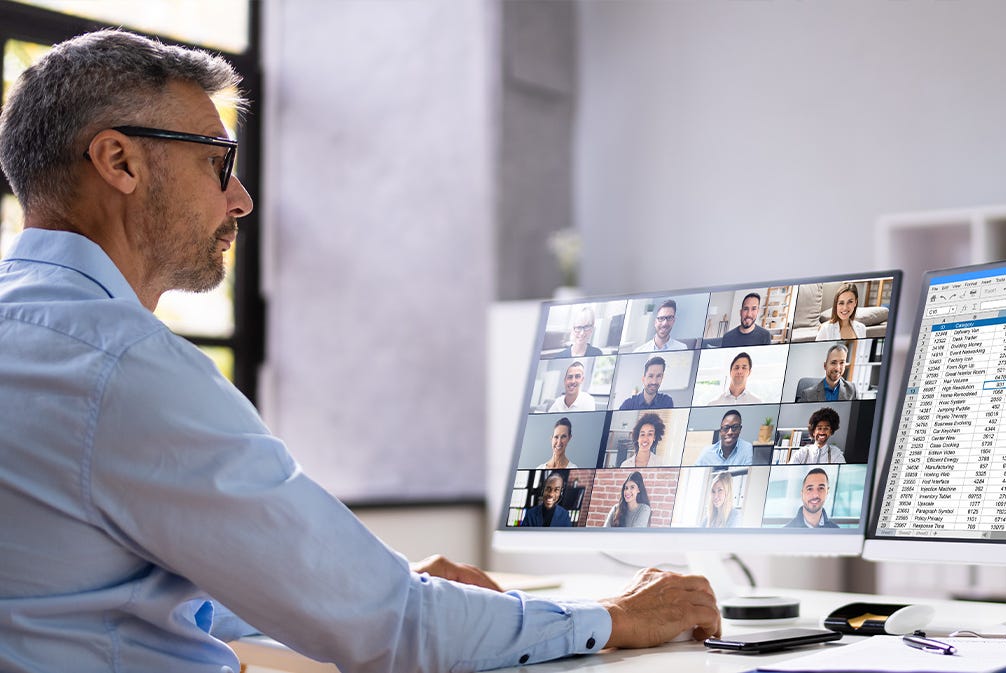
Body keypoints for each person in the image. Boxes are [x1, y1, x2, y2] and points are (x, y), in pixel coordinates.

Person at [0, 29, 719, 673]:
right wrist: (616, 618)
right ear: (119, 161)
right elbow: (396, 630)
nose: (241, 199)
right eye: (220, 162)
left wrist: (357, 581)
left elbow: (103, 589)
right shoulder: (123, 367)